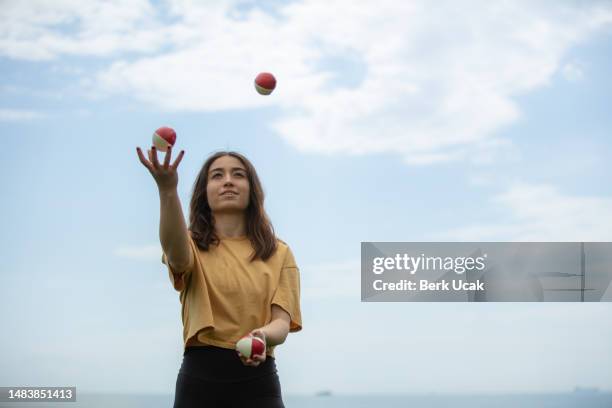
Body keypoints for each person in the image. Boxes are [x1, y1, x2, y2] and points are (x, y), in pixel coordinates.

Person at [136, 144, 302, 408]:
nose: (228, 181)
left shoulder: (279, 252)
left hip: (258, 384)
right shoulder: (190, 244)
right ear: (205, 192)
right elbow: (178, 257)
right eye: (217, 175)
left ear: (252, 189)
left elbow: (281, 324)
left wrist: (261, 335)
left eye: (238, 174)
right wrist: (167, 189)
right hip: (199, 382)